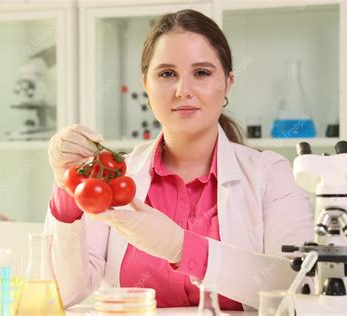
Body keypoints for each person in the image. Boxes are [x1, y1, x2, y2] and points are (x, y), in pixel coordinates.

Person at [45, 9, 313, 310]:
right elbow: (63, 294)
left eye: (201, 73)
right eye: (167, 74)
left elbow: (299, 289)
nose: (183, 90)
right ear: (146, 84)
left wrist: (182, 248)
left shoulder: (270, 175)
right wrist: (67, 190)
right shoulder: (113, 179)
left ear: (227, 82)